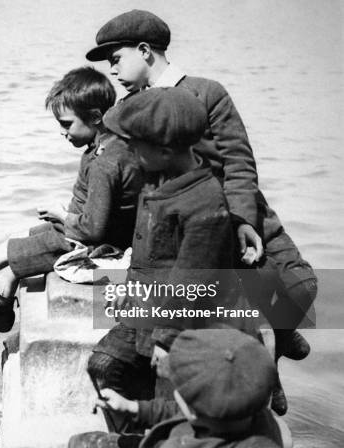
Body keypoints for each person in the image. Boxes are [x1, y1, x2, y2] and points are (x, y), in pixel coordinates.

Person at [85, 9, 317, 415]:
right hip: (180, 231)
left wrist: (243, 221)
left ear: (145, 51)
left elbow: (238, 164)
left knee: (296, 287)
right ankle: (269, 353)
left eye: (116, 58)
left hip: (232, 216)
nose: (112, 69)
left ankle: (274, 352)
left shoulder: (207, 92)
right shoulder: (131, 109)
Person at [0, 67, 148, 333]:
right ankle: (1, 306)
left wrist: (61, 215)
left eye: (66, 124)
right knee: (16, 239)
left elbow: (93, 229)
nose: (62, 133)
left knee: (3, 253)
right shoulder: (113, 145)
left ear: (96, 117)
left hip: (86, 241)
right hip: (87, 232)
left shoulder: (104, 161)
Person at [69, 329, 291, 448]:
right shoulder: (254, 416)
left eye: (179, 389)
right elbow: (181, 413)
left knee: (80, 443)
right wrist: (133, 407)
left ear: (193, 412)